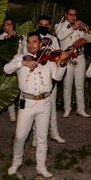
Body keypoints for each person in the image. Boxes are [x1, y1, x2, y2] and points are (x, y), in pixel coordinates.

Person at [3, 31, 69, 178]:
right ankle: (16, 162)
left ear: (41, 44)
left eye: (35, 42)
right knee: (20, 135)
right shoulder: (20, 57)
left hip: (45, 102)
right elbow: (6, 69)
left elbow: (57, 76)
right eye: (29, 42)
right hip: (26, 102)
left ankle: (41, 166)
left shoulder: (49, 59)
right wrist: (22, 63)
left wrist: (63, 63)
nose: (32, 45)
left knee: (42, 137)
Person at [55, 6, 91, 118]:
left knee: (80, 85)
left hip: (80, 57)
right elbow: (60, 37)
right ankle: (67, 108)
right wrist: (73, 28)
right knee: (67, 85)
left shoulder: (80, 26)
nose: (73, 17)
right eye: (70, 14)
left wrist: (84, 30)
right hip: (67, 58)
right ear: (66, 15)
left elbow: (89, 39)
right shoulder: (59, 26)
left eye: (75, 15)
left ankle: (81, 109)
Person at [34, 15, 65, 143]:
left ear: (49, 26)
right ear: (37, 24)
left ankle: (54, 132)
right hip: (37, 77)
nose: (44, 26)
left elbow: (56, 55)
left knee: (52, 107)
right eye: (41, 24)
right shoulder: (33, 38)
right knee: (36, 108)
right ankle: (36, 136)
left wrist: (58, 55)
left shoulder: (54, 39)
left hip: (51, 76)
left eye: (46, 24)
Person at [0, 16, 23, 122]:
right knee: (10, 89)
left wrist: (17, 38)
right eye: (7, 24)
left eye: (11, 24)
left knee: (22, 90)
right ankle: (11, 113)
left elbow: (22, 50)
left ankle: (22, 111)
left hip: (19, 66)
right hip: (7, 67)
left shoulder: (19, 36)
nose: (10, 26)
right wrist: (9, 38)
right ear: (3, 27)